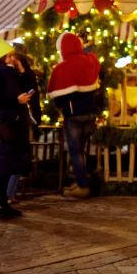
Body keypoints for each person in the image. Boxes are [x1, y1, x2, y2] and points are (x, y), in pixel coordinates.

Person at [0, 39, 33, 219]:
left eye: (13, 55)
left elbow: (29, 86)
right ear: (1, 57)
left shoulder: (10, 73)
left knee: (7, 166)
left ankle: (2, 202)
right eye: (9, 56)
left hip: (11, 126)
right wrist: (16, 101)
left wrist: (23, 71)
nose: (12, 59)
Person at [47, 33, 102, 200]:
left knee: (75, 152)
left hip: (73, 115)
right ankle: (80, 181)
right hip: (90, 113)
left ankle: (83, 187)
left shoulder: (63, 68)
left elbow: (58, 96)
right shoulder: (89, 61)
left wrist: (61, 108)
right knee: (82, 150)